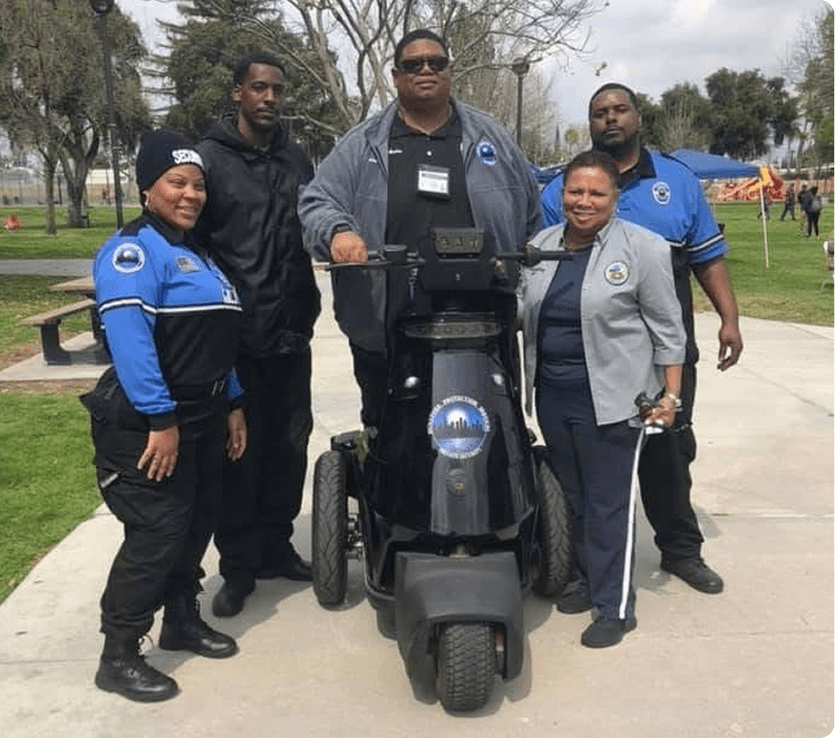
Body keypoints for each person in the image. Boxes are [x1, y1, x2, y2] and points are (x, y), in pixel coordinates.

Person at [540, 83, 743, 598]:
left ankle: (680, 550)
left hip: (662, 346)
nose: (610, 119)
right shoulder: (561, 188)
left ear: (637, 116)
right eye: (599, 113)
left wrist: (729, 318)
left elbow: (707, 256)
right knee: (591, 467)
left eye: (619, 110)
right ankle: (592, 567)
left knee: (666, 451)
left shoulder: (676, 181)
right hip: (595, 352)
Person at [299, 28, 540, 429]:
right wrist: (338, 232)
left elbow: (533, 211)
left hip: (484, 320)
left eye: (436, 62)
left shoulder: (492, 137)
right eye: (412, 64)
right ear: (396, 76)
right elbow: (315, 201)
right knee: (391, 435)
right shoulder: (363, 144)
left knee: (493, 431)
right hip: (389, 322)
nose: (425, 70)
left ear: (450, 72)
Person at [81, 129, 247, 703]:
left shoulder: (198, 253)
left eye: (198, 185)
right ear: (147, 187)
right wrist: (160, 418)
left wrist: (233, 403)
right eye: (177, 183)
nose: (191, 195)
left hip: (204, 416)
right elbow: (131, 342)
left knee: (195, 524)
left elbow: (217, 342)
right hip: (148, 424)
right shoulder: (133, 252)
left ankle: (180, 618)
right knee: (156, 535)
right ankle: (119, 654)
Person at [521, 150, 686, 648]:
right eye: (575, 191)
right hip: (553, 395)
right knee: (572, 498)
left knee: (607, 502)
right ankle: (585, 580)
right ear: (561, 195)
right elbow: (523, 310)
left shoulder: (645, 248)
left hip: (615, 398)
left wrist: (671, 395)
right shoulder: (541, 245)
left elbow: (668, 330)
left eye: (596, 193)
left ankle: (614, 607)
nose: (584, 202)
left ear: (615, 198)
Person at [195, 49, 321, 617]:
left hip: (291, 334)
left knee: (288, 446)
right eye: (258, 88)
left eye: (276, 89)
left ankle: (276, 548)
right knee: (238, 454)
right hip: (236, 340)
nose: (269, 98)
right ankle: (240, 567)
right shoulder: (208, 162)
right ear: (237, 94)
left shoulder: (297, 159)